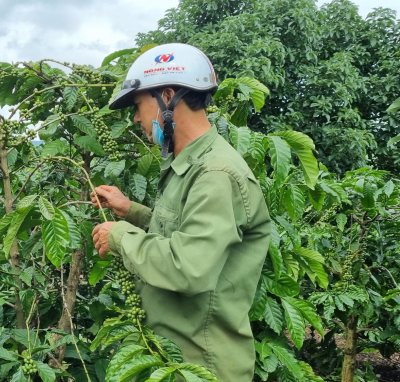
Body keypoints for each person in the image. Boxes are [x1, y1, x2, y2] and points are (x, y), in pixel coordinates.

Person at [91, 43, 271, 382]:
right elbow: (183, 231)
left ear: (167, 97)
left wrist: (118, 235)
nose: (135, 118)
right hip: (172, 357)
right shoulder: (188, 164)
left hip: (201, 367)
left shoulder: (216, 174)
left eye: (139, 106)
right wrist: (131, 211)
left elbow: (188, 267)